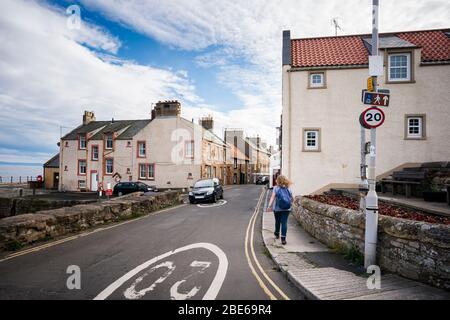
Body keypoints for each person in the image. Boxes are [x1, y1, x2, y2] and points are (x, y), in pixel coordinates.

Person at [266, 175, 293, 245]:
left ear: (278, 180)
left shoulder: (276, 188)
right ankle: (283, 239)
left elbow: (272, 197)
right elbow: (291, 199)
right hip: (287, 208)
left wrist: (269, 206)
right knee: (284, 223)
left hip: (277, 209)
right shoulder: (288, 188)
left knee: (277, 221)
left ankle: (276, 234)